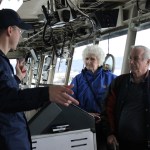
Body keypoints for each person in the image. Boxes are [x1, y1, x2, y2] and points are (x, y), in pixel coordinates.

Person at [0, 8, 79, 150]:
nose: (21, 36)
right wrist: (46, 93)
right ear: (10, 30)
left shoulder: (2, 62)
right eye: (20, 31)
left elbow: (4, 93)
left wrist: (17, 78)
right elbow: (6, 99)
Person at [70, 45, 117, 150]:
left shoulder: (112, 78)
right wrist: (86, 115)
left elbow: (117, 103)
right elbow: (70, 102)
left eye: (92, 59)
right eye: (86, 58)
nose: (89, 61)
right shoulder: (77, 80)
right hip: (84, 122)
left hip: (105, 125)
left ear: (99, 60)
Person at [105, 45, 150, 150]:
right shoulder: (119, 82)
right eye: (130, 58)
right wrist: (109, 133)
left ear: (147, 62)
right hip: (121, 143)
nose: (131, 62)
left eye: (136, 58)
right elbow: (107, 109)